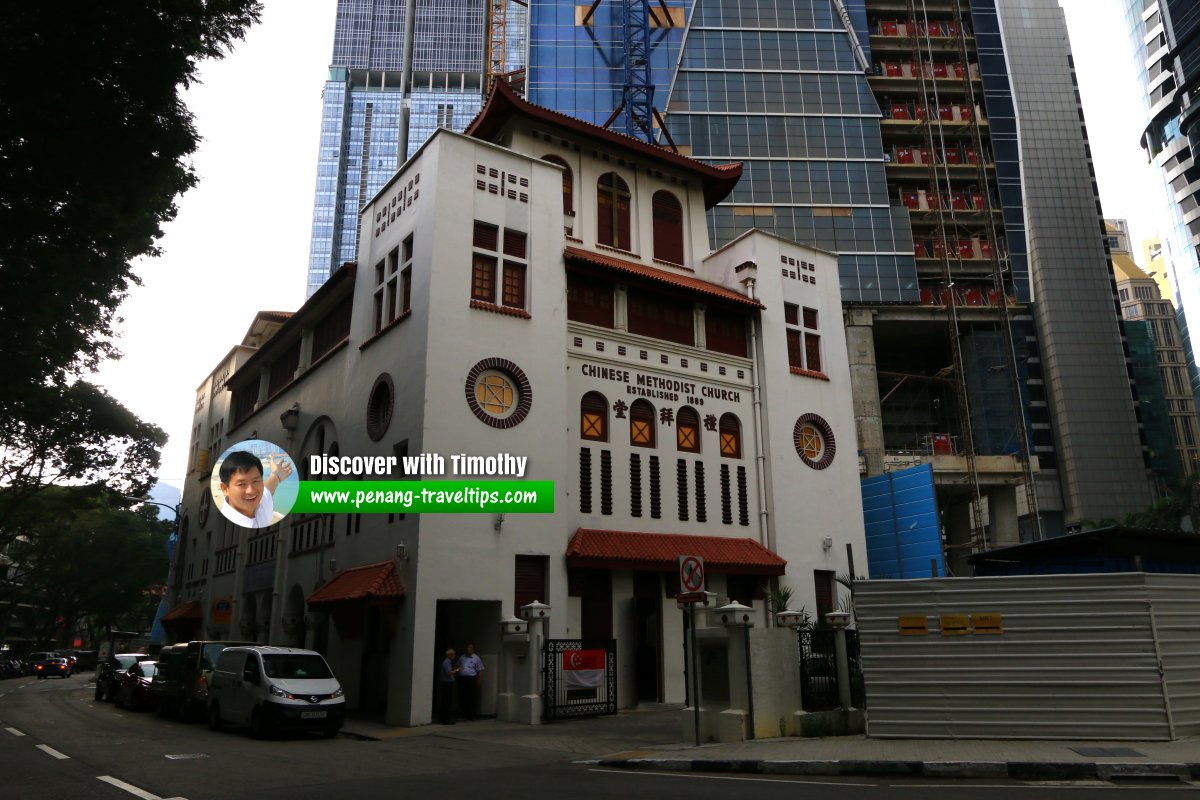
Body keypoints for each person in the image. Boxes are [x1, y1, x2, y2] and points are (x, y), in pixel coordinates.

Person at [217, 450, 293, 528]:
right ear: (225, 489)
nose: (251, 491)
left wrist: (276, 475)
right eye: (241, 484)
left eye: (255, 481)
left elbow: (268, 488)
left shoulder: (261, 502)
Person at [456, 643, 484, 720]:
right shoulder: (462, 657)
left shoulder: (476, 658)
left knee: (471, 697)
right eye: (467, 647)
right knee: (462, 696)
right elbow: (457, 666)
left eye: (470, 647)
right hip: (462, 679)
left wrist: (479, 680)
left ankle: (471, 715)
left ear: (473, 649)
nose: (468, 649)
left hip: (471, 679)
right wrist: (458, 671)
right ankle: (463, 714)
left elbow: (480, 669)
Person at [438, 648, 460, 724]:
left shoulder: (449, 662)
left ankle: (443, 718)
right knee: (447, 701)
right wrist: (457, 670)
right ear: (450, 655)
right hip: (447, 683)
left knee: (446, 701)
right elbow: (449, 673)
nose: (454, 656)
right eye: (453, 654)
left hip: (448, 683)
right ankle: (445, 719)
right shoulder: (446, 662)